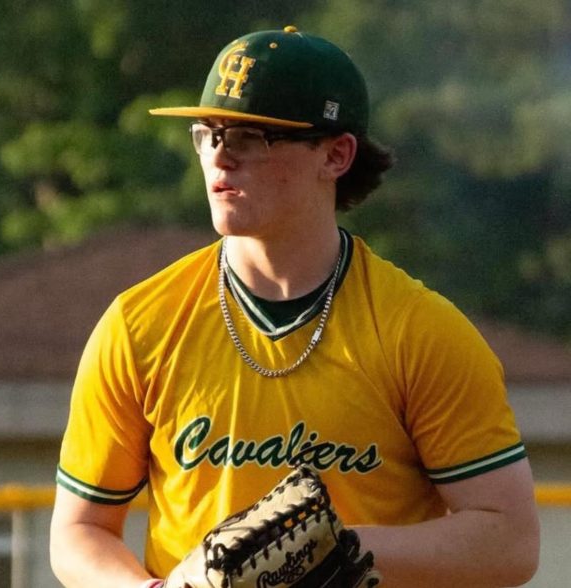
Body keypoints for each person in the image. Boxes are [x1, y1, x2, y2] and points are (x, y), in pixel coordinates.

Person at [50, 25, 540, 588]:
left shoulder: (418, 330)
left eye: (252, 137)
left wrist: (341, 546)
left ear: (336, 154)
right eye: (208, 132)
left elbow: (511, 540)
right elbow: (79, 529)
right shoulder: (139, 325)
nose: (220, 156)